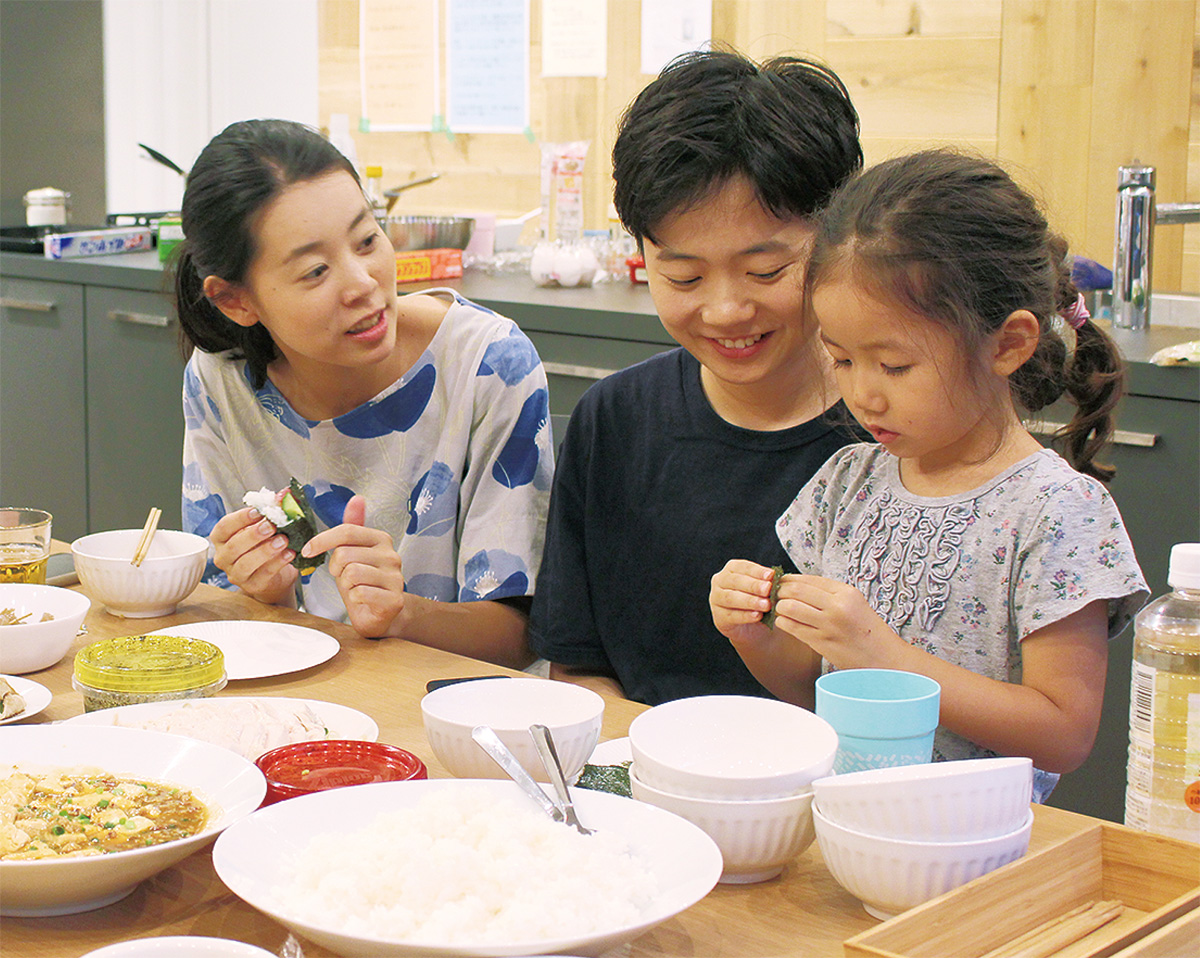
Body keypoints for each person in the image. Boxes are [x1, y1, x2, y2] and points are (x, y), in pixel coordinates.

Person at [710, 149, 1149, 801]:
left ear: (1007, 344)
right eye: (842, 359)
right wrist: (753, 635)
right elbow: (814, 688)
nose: (864, 394)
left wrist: (887, 659)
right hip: (849, 819)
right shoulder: (847, 482)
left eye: (894, 366)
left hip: (979, 844)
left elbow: (1064, 733)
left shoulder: (1055, 509)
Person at [528, 49, 865, 704]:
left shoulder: (898, 435)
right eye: (683, 276)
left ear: (840, 232)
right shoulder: (614, 421)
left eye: (767, 271)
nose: (726, 310)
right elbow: (577, 669)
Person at [174, 118, 552, 669]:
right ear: (235, 301)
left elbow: (521, 637)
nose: (364, 284)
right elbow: (219, 607)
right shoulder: (220, 381)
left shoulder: (489, 366)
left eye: (368, 240)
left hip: (452, 714)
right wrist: (264, 590)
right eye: (316, 270)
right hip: (303, 702)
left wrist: (400, 614)